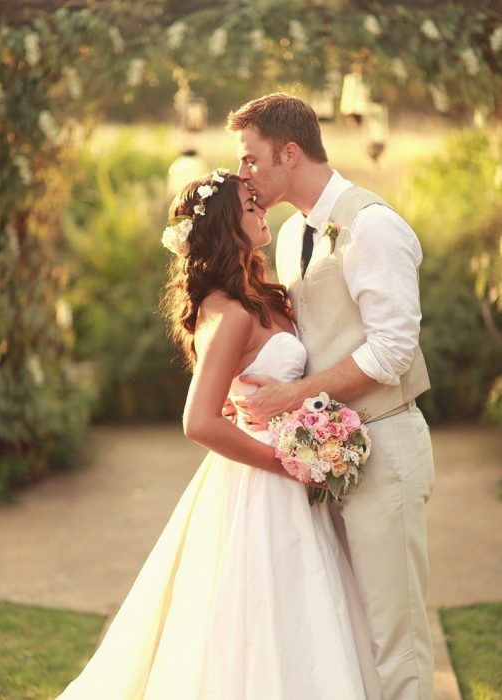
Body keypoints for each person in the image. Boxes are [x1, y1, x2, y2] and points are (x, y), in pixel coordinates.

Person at [55, 170, 381, 699]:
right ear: (228, 225)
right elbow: (199, 421)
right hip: (262, 482)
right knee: (261, 615)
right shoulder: (228, 313)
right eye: (250, 207)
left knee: (311, 608)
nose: (262, 211)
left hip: (296, 475)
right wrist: (287, 463)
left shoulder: (266, 292)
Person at [227, 93, 436, 700]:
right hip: (322, 458)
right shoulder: (291, 236)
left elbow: (393, 350)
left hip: (387, 445)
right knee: (346, 631)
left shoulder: (374, 226)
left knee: (397, 641)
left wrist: (293, 394)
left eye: (250, 158)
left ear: (288, 153)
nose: (244, 173)